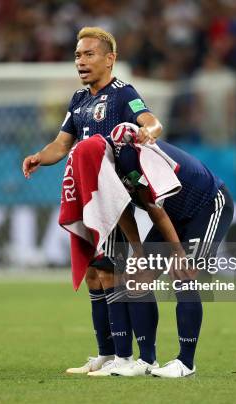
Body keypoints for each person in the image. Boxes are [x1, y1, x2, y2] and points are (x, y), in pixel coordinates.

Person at [21, 27, 164, 375]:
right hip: (84, 194)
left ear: (109, 59)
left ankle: (125, 356)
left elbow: (150, 120)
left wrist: (148, 132)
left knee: (109, 270)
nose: (80, 62)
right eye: (77, 55)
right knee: (94, 273)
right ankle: (105, 353)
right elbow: (61, 143)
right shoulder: (79, 100)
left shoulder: (122, 93)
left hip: (111, 195)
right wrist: (40, 156)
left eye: (88, 54)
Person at [107, 131, 234, 377]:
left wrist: (178, 251)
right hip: (173, 214)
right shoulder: (106, 168)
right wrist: (139, 252)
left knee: (182, 272)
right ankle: (147, 360)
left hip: (208, 205)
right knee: (136, 278)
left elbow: (154, 207)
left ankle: (186, 363)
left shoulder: (134, 156)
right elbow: (123, 212)